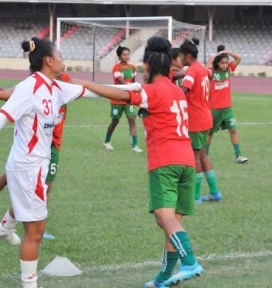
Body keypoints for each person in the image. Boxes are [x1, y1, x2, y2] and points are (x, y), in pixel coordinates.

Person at [0, 37, 140, 288]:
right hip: (28, 167)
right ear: (49, 60)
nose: (65, 60)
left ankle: (3, 231)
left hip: (32, 165)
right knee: (35, 231)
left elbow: (93, 91)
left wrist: (135, 91)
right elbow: (3, 116)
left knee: (32, 225)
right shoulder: (29, 87)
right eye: (61, 56)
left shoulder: (56, 87)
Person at [74, 36, 203, 288]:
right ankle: (162, 279)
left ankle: (189, 262)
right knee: (172, 224)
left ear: (147, 67)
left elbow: (120, 94)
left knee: (163, 219)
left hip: (165, 162)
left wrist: (84, 83)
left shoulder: (150, 91)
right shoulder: (177, 90)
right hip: (186, 161)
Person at [0, 73, 71, 241]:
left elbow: (85, 87)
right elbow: (5, 95)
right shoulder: (31, 89)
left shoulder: (63, 82)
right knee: (39, 189)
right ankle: (33, 228)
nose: (63, 64)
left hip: (50, 146)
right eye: (57, 57)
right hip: (36, 147)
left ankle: (5, 227)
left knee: (23, 186)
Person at [179, 38, 222, 204]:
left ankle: (195, 196)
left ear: (187, 56)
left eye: (182, 56)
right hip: (206, 117)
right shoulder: (202, 70)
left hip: (196, 119)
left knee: (195, 157)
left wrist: (168, 93)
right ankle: (215, 192)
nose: (181, 59)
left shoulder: (192, 71)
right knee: (203, 154)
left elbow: (184, 89)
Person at [205, 44, 248, 164]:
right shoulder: (212, 72)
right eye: (222, 63)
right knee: (210, 133)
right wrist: (210, 61)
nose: (224, 65)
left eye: (226, 62)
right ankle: (205, 156)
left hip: (227, 108)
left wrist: (226, 51)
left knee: (233, 130)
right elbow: (203, 74)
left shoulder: (229, 69)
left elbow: (239, 58)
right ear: (217, 63)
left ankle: (238, 155)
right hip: (213, 109)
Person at [103, 45, 143, 152]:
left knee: (132, 119)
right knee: (115, 121)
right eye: (124, 55)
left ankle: (135, 145)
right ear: (119, 56)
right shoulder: (116, 68)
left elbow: (133, 81)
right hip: (117, 98)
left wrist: (136, 89)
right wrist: (131, 86)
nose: (127, 56)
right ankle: (106, 141)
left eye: (128, 54)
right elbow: (121, 82)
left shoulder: (133, 68)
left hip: (129, 99)